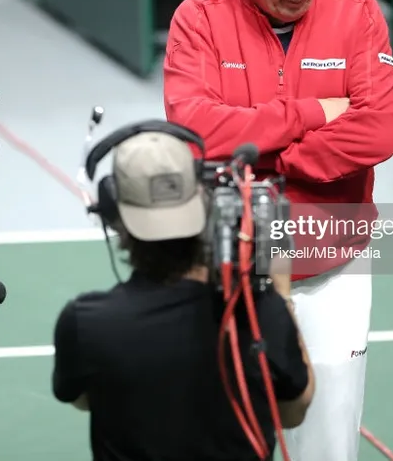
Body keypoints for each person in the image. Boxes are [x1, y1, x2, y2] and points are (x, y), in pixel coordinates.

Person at [162, 0, 393, 461]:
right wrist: (314, 114)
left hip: (330, 263)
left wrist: (279, 160)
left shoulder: (358, 13)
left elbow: (378, 132)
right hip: (228, 266)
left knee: (326, 440)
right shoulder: (199, 18)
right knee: (227, 436)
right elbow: (195, 132)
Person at [52, 130, 315, 461]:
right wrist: (280, 294)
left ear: (114, 216)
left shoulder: (85, 324)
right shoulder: (258, 315)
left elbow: (83, 399)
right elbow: (294, 411)